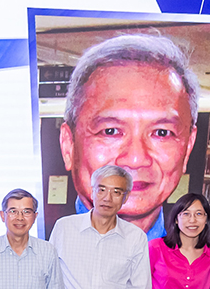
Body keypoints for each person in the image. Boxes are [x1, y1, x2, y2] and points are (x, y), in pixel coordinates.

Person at [59, 34, 200, 239]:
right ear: (68, 146)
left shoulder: (208, 260)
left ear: (188, 148)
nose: (136, 159)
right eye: (111, 131)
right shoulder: (37, 249)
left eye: (161, 133)